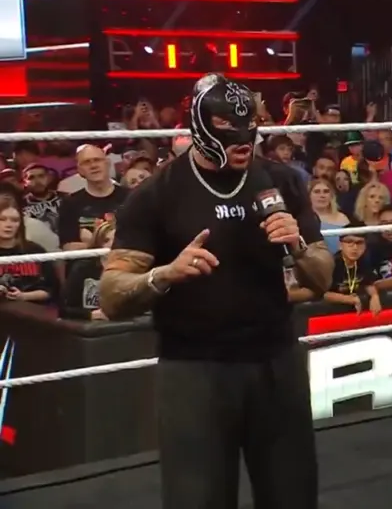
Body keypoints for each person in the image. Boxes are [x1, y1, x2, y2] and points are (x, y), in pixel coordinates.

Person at [98, 75, 334, 509]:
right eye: (228, 127)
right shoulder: (157, 194)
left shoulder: (281, 181)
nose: (243, 140)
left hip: (275, 361)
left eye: (250, 127)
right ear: (201, 125)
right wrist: (165, 274)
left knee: (293, 495)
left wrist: (299, 245)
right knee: (198, 500)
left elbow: (322, 277)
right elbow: (111, 295)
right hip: (195, 369)